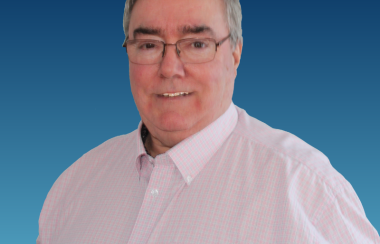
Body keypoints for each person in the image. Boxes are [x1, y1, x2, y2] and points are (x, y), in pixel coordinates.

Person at [37, 0, 380, 243]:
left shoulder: (306, 191)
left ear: (235, 53)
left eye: (197, 43)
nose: (169, 68)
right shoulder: (74, 187)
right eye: (148, 45)